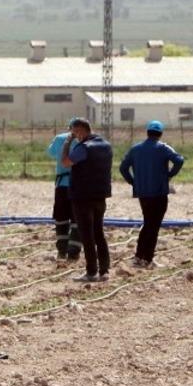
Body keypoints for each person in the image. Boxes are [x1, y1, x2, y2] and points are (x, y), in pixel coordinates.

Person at [119, 121, 185, 268]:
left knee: (148, 222)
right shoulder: (163, 148)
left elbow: (123, 168)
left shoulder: (135, 149)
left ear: (147, 132)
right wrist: (170, 174)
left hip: (142, 193)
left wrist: (133, 182)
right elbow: (179, 160)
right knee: (153, 226)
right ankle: (147, 259)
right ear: (160, 134)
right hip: (159, 192)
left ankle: (139, 256)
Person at [62, 117, 112, 282]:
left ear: (80, 130)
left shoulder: (83, 147)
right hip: (100, 196)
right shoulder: (106, 145)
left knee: (87, 235)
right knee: (99, 233)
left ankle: (91, 272)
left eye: (74, 132)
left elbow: (65, 162)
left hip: (82, 197)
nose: (74, 136)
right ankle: (105, 270)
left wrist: (67, 143)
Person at [46, 124, 82, 262]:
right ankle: (74, 253)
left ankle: (62, 251)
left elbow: (51, 152)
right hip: (79, 186)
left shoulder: (60, 138)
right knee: (77, 219)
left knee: (61, 218)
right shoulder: (85, 139)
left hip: (62, 185)